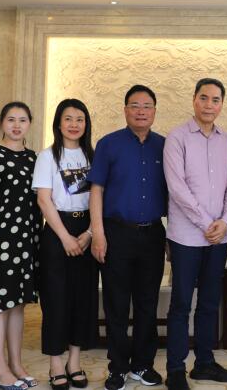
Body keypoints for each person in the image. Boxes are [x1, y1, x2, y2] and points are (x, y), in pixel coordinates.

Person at [163, 78, 227, 390]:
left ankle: (204, 363)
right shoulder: (177, 137)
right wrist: (207, 222)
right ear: (194, 99)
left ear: (222, 104)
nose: (210, 105)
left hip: (218, 237)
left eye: (216, 99)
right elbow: (177, 188)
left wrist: (225, 221)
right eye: (204, 98)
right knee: (181, 303)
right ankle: (175, 368)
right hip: (186, 237)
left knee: (210, 302)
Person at [88, 85, 168, 390]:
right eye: (135, 105)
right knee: (116, 304)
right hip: (116, 233)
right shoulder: (108, 144)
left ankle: (143, 365)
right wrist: (98, 233)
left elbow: (173, 194)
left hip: (153, 234)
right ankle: (118, 368)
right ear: (125, 110)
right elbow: (97, 190)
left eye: (147, 106)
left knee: (148, 302)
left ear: (155, 111)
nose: (141, 111)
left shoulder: (164, 146)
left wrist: (172, 238)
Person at [33, 99, 98, 390]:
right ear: (58, 123)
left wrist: (89, 233)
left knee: (82, 299)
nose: (74, 124)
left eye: (79, 119)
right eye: (68, 118)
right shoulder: (47, 156)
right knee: (55, 300)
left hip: (87, 230)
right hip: (57, 231)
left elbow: (100, 198)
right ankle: (56, 363)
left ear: (86, 124)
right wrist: (65, 237)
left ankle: (74, 361)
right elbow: (43, 200)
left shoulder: (94, 156)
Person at [0, 102, 40, 390]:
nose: (17, 125)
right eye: (11, 120)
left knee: (18, 306)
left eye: (23, 120)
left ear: (30, 124)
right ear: (1, 122)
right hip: (1, 241)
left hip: (28, 241)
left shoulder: (34, 159)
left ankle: (16, 364)